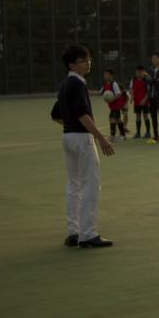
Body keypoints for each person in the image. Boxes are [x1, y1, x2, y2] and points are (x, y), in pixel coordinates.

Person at [49, 45, 115, 248]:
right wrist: (101, 137)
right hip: (82, 138)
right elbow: (82, 114)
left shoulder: (64, 85)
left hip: (68, 137)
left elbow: (55, 115)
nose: (88, 63)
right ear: (72, 65)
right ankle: (88, 234)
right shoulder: (77, 85)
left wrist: (71, 127)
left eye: (88, 60)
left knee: (74, 185)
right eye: (83, 60)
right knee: (91, 185)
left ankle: (74, 232)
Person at [100, 69, 128, 141]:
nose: (105, 76)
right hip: (112, 105)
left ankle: (112, 136)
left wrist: (112, 99)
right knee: (118, 119)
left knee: (112, 118)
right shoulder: (105, 84)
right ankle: (123, 135)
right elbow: (101, 92)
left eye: (107, 74)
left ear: (111, 75)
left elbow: (119, 94)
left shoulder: (114, 84)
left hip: (116, 105)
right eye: (104, 75)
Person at [130, 65, 151, 139]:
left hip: (145, 102)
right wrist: (132, 97)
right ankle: (138, 133)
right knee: (138, 116)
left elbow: (149, 92)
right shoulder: (133, 79)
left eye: (140, 72)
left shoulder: (146, 80)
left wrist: (144, 100)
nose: (139, 73)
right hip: (137, 102)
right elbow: (132, 89)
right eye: (137, 72)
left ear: (143, 72)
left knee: (145, 116)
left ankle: (148, 132)